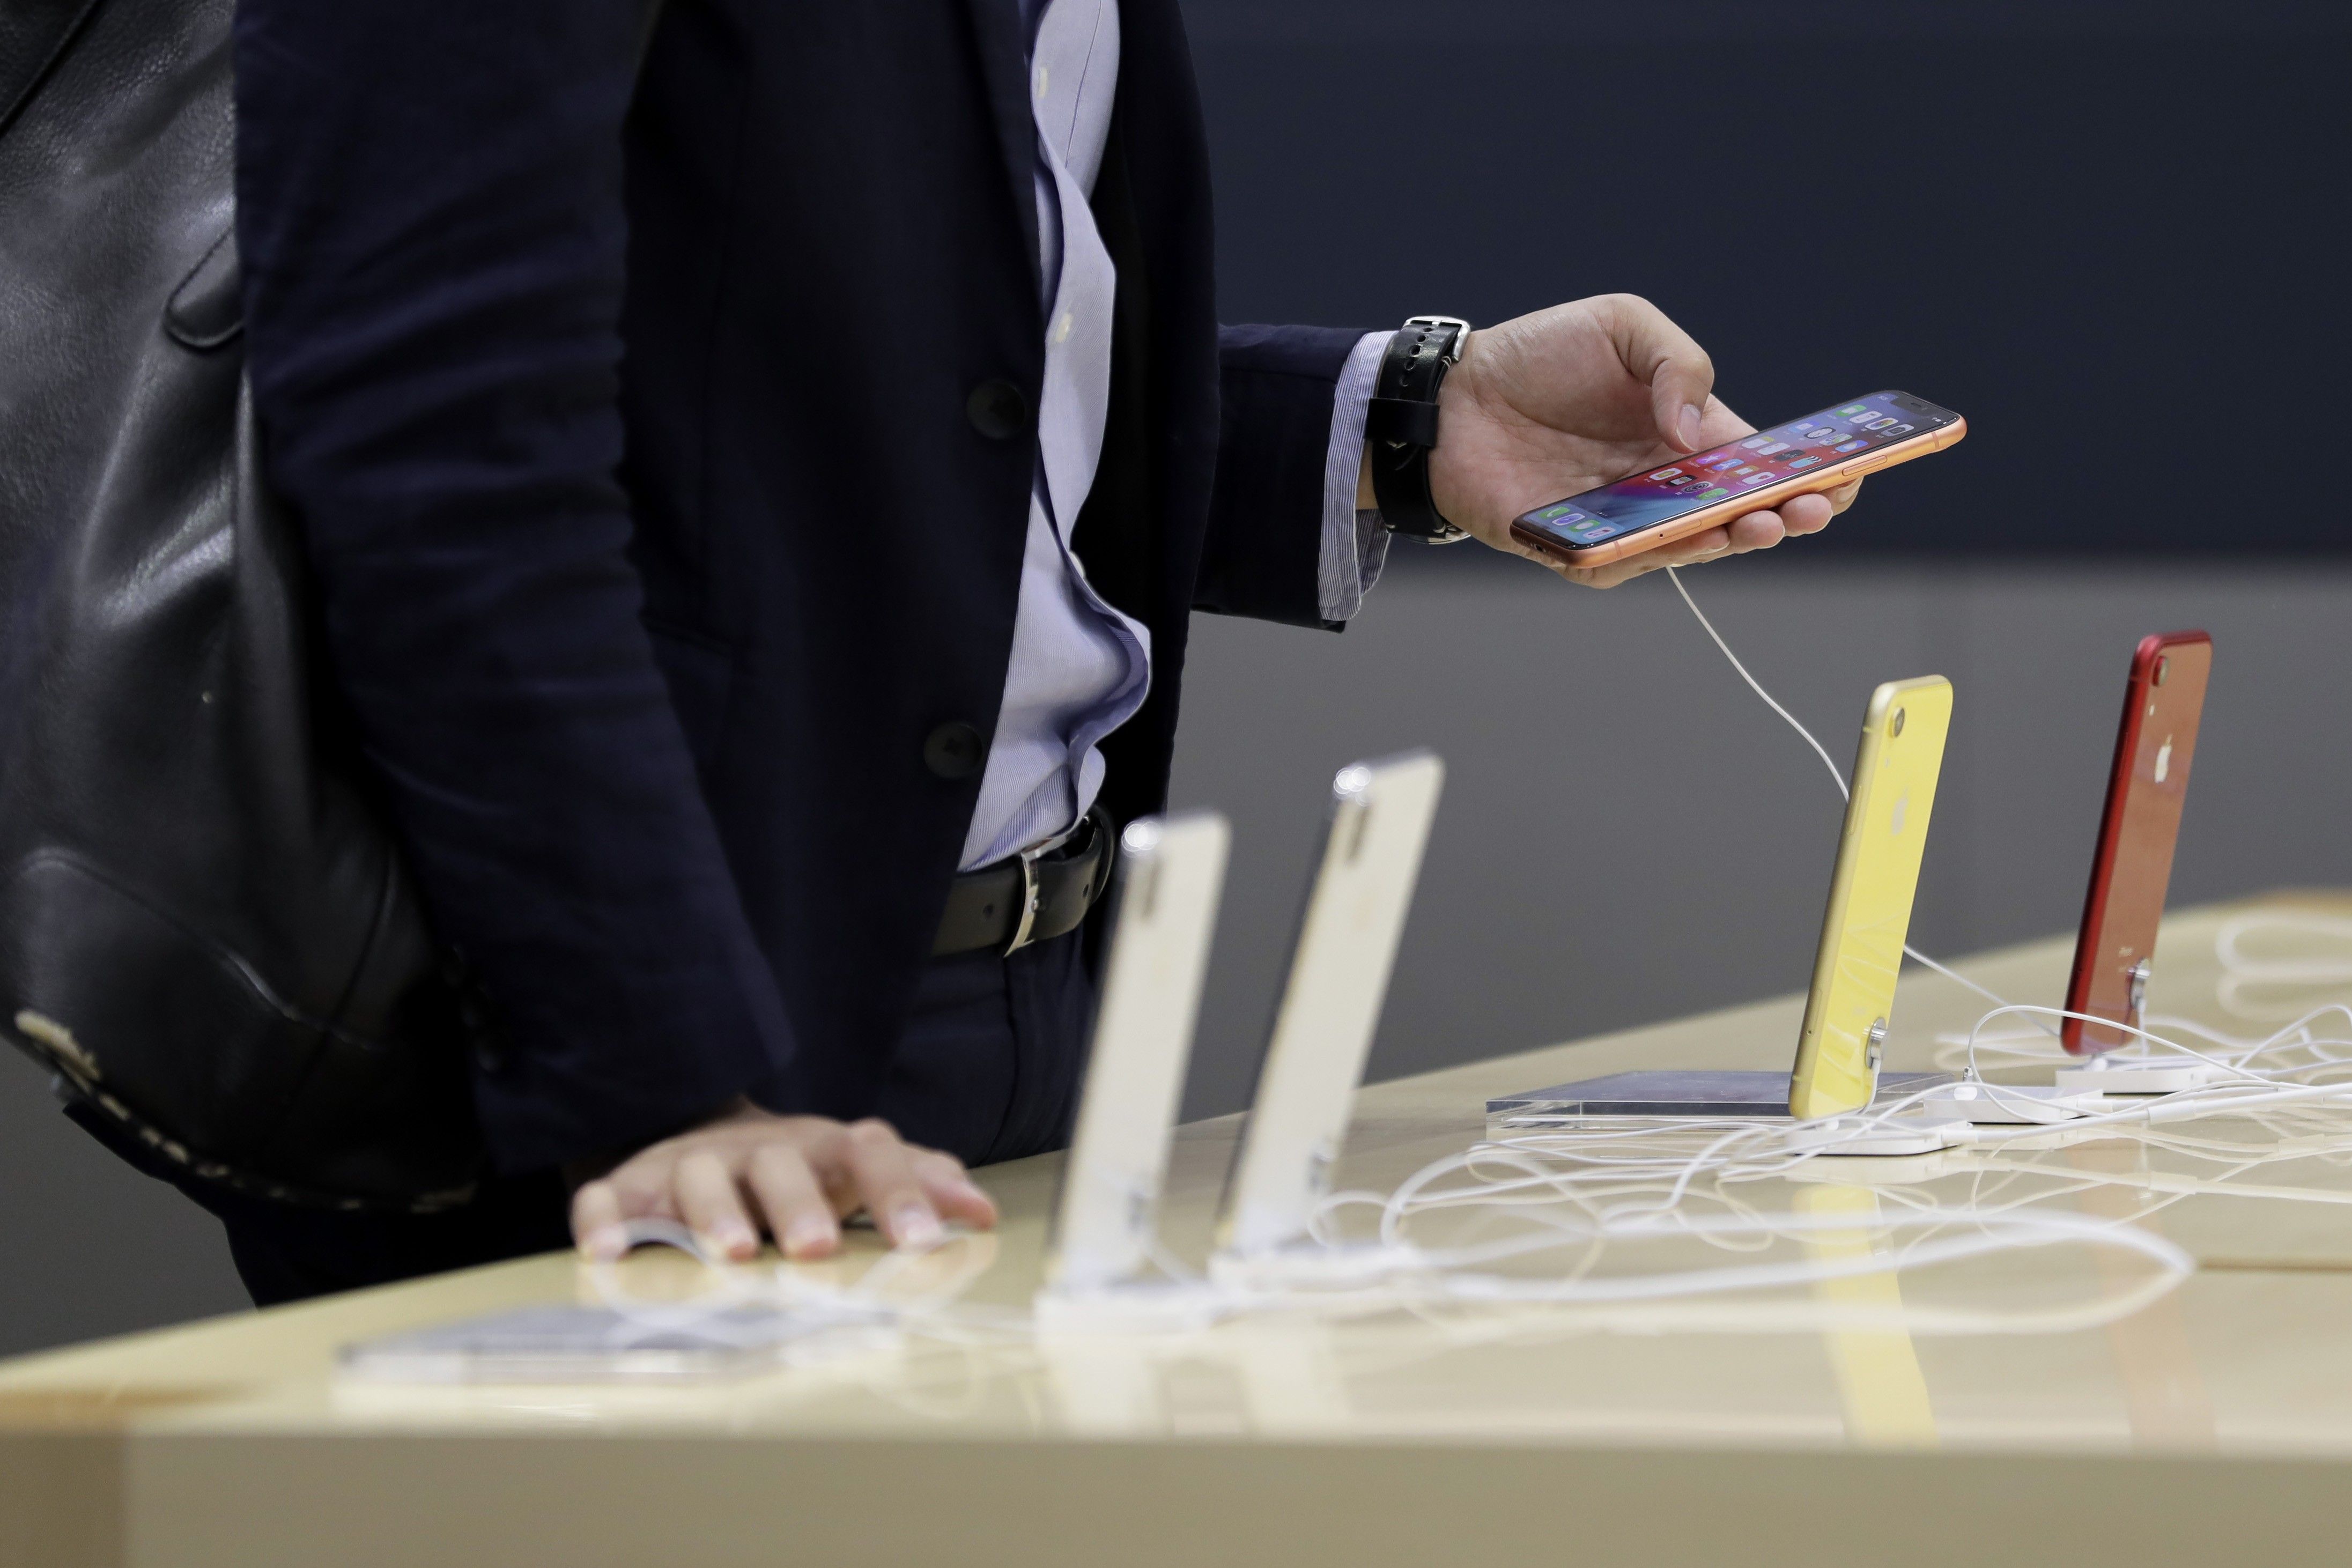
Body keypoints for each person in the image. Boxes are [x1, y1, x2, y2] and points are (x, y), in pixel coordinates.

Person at [217, 0, 1857, 1303]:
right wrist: (663, 1083)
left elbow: (892, 383)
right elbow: (429, 438)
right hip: (629, 1080)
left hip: (1002, 1005)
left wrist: (1403, 426)